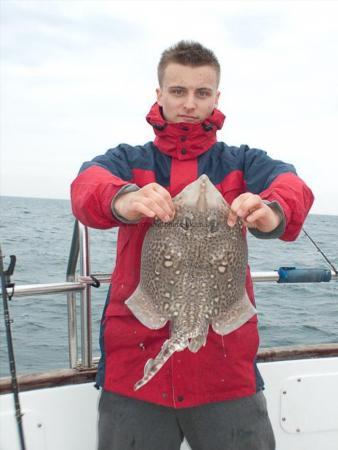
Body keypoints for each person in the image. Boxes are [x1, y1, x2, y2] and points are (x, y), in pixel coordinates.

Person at [71, 41, 314, 450]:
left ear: (216, 97)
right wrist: (126, 199)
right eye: (178, 91)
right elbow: (86, 186)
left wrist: (272, 211)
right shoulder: (129, 160)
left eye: (202, 93)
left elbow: (292, 186)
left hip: (224, 366)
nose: (189, 103)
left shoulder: (242, 162)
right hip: (136, 361)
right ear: (160, 94)